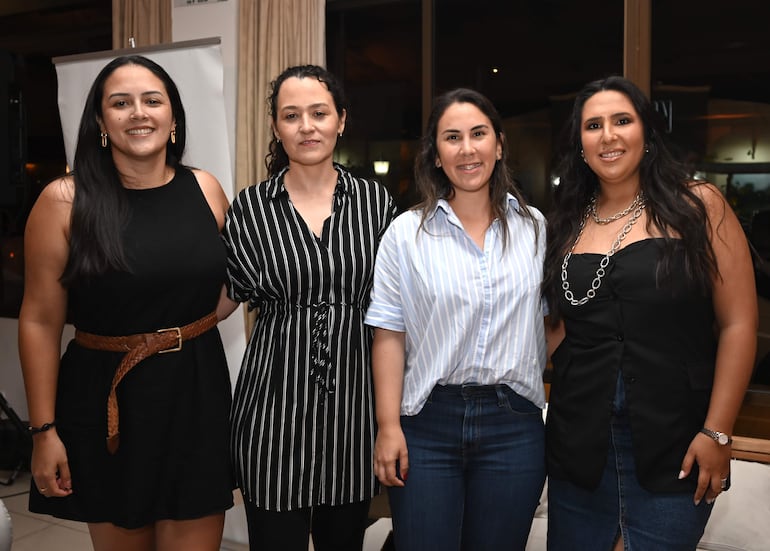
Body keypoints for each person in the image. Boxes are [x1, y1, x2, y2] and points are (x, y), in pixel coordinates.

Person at [18, 55, 234, 551]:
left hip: (195, 396)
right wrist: (43, 431)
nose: (138, 113)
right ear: (100, 121)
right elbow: (39, 321)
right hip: (106, 402)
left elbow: (223, 291)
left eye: (152, 100)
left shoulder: (206, 189)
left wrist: (181, 329)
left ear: (174, 118)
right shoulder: (63, 201)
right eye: (120, 103)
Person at [542, 76, 758, 550]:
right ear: (580, 144)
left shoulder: (699, 205)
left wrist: (718, 432)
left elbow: (739, 323)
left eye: (622, 120)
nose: (609, 135)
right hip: (578, 451)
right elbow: (556, 331)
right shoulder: (566, 222)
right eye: (593, 125)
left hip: (677, 447)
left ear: (647, 133)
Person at [221, 64, 397, 551]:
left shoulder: (375, 203)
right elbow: (221, 297)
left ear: (341, 120)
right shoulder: (251, 207)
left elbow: (398, 308)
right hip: (272, 410)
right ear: (277, 127)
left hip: (353, 410)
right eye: (291, 115)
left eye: (319, 113)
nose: (307, 126)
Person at [365, 88, 547, 551]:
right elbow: (389, 335)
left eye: (479, 134)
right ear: (437, 154)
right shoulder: (405, 234)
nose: (467, 149)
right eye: (452, 137)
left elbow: (550, 322)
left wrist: (521, 360)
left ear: (499, 144)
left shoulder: (535, 228)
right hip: (427, 423)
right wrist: (388, 427)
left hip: (514, 423)